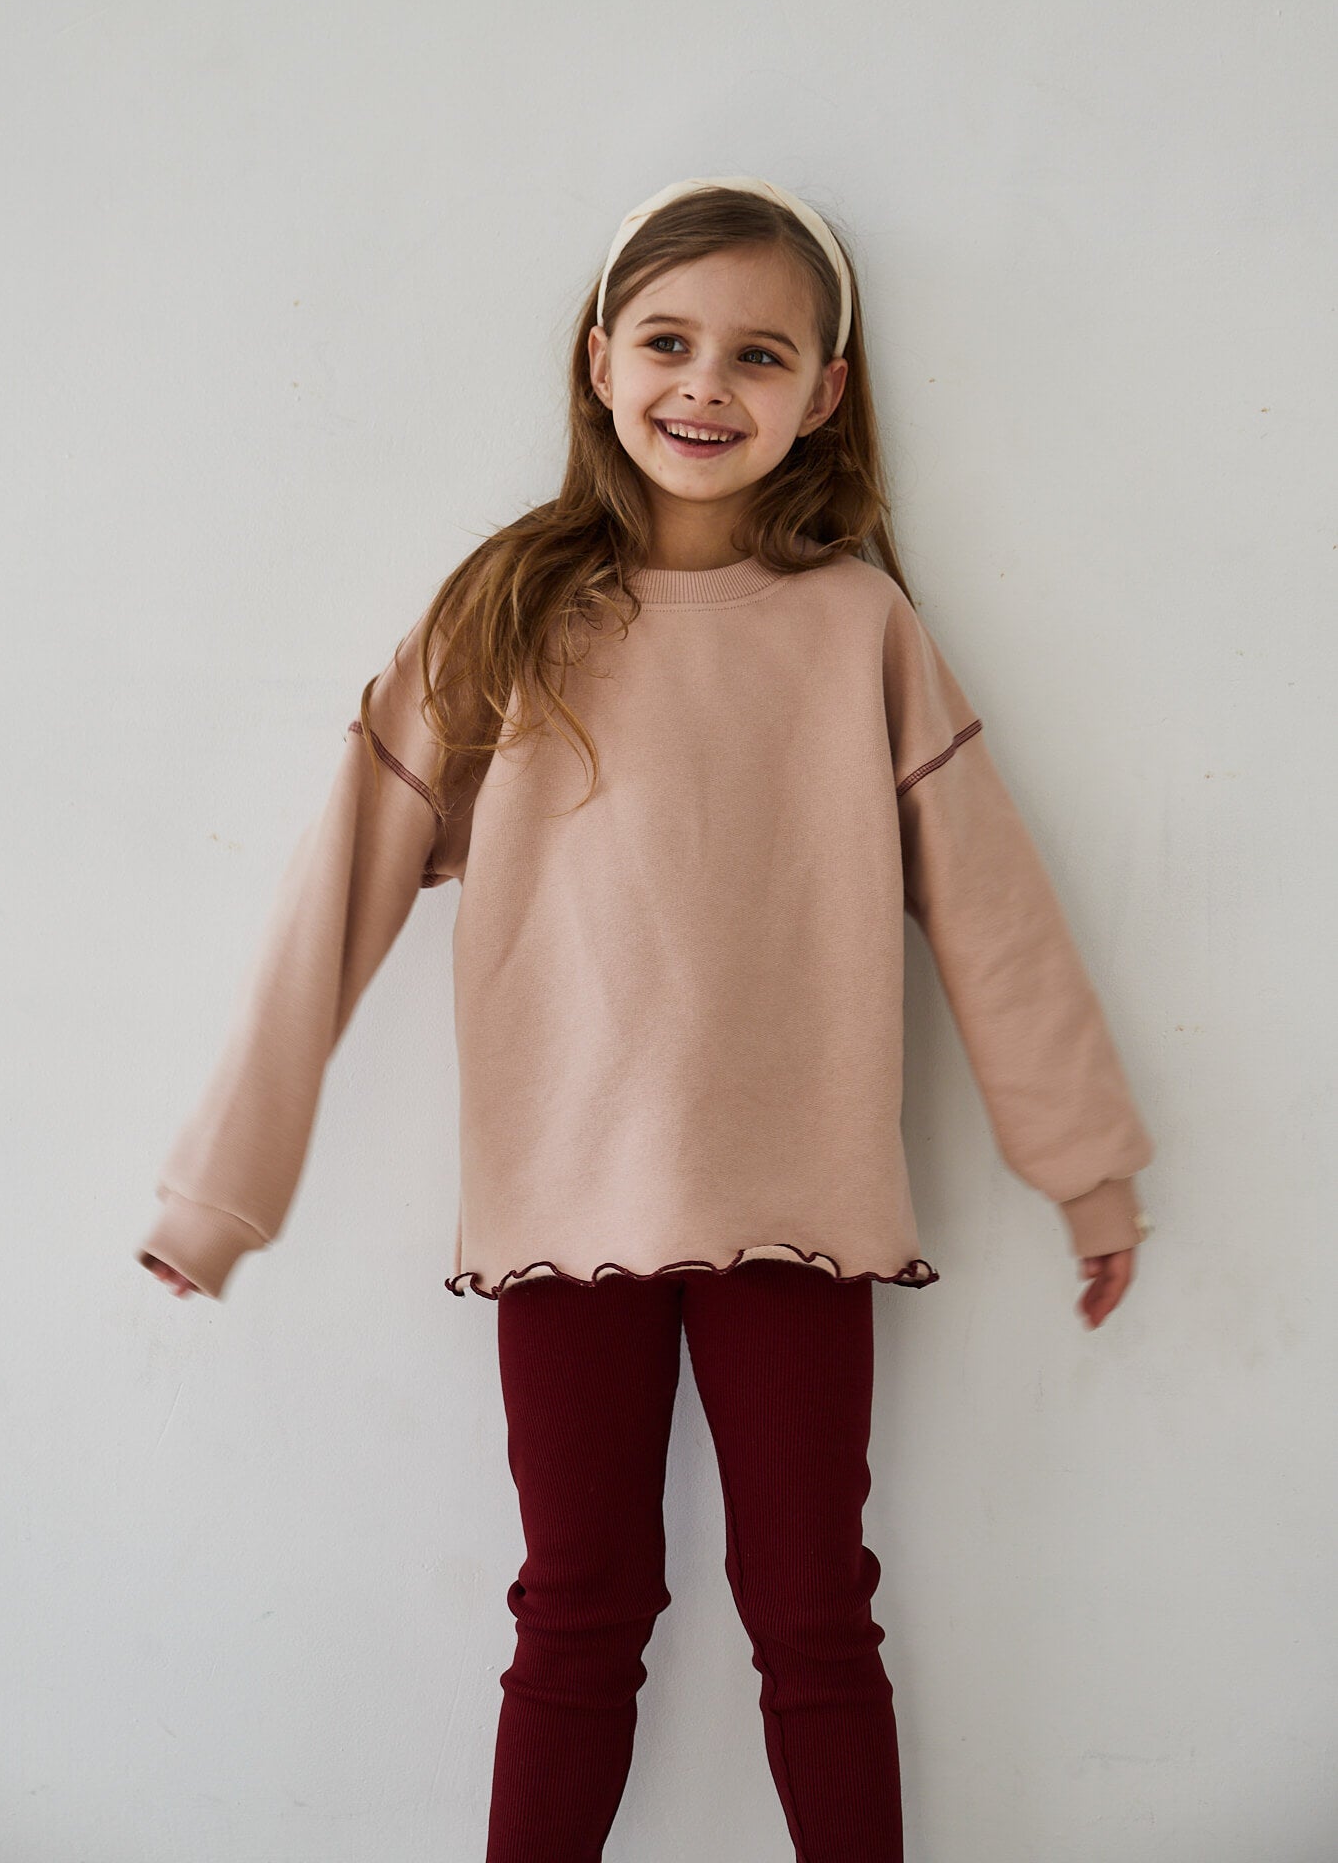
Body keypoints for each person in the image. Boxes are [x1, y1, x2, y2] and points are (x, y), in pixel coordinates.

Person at [136, 175, 1156, 1861]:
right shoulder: (504, 616)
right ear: (600, 360)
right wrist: (213, 1195)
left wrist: (1088, 1174)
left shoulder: (857, 629)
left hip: (797, 1213)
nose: (706, 385)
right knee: (579, 1613)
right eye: (670, 342)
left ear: (822, 394)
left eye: (760, 354)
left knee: (815, 1616)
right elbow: (334, 903)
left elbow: (996, 919)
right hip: (563, 1209)